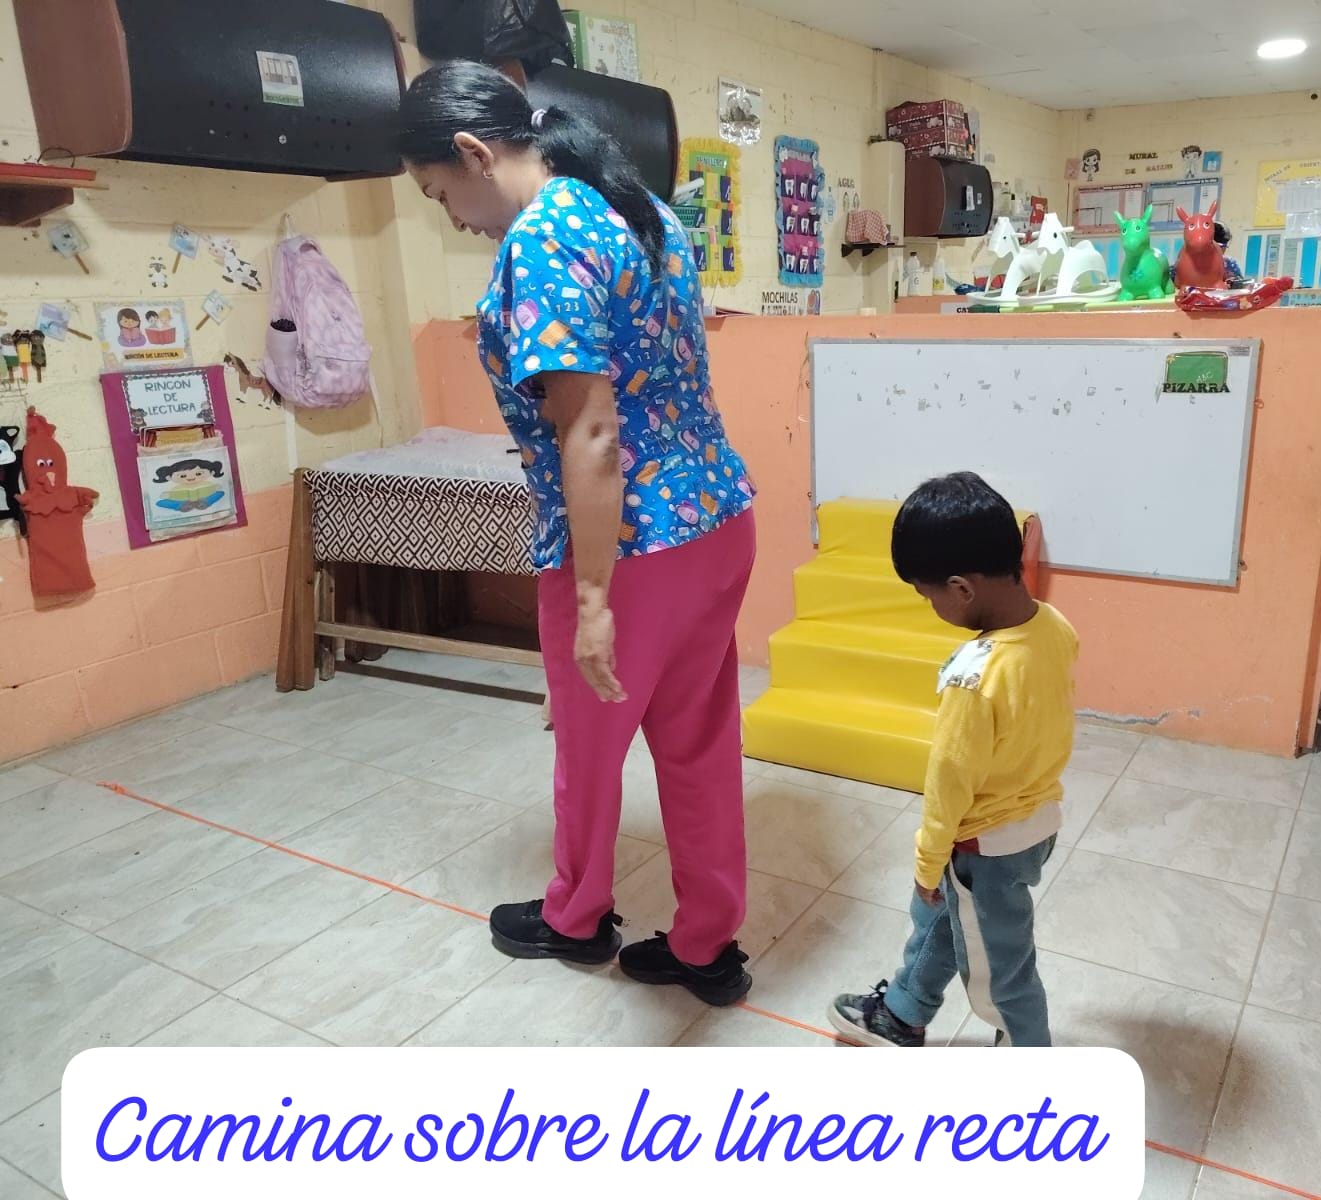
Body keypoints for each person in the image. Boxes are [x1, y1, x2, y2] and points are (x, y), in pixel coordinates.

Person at [399, 61, 758, 1006]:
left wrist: (592, 600)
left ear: (476, 153)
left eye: (440, 194)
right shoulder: (638, 207)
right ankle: (706, 943)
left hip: (629, 543)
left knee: (591, 749)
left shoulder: (544, 239)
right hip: (714, 515)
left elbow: (592, 433)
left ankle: (575, 916)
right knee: (698, 740)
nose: (452, 217)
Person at [829, 473, 1078, 1048]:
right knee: (943, 923)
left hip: (984, 846)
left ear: (961, 589)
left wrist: (927, 862)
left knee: (1003, 969)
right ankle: (902, 1013)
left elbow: (949, 784)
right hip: (1035, 821)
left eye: (928, 594)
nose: (930, 605)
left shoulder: (975, 676)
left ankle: (1033, 1063)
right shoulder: (1053, 626)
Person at [1213, 222, 1246, 288]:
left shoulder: (1229, 263)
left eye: (1224, 247)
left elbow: (1240, 285)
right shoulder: (1194, 263)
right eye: (1221, 247)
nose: (1222, 251)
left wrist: (1233, 283)